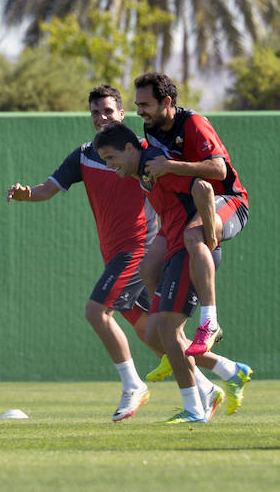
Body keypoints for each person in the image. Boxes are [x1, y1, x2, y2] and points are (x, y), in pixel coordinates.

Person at [7, 85, 159, 421]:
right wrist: (26, 193)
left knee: (96, 312)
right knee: (153, 331)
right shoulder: (85, 154)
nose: (102, 117)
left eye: (108, 111)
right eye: (95, 112)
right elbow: (47, 190)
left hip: (138, 249)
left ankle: (133, 385)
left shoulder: (142, 151)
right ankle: (212, 381)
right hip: (114, 252)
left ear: (122, 113)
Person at [94, 123, 252, 422]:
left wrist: (208, 234)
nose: (108, 164)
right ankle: (229, 372)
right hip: (173, 246)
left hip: (187, 252)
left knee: (167, 332)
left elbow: (203, 187)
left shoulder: (156, 164)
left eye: (110, 157)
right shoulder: (143, 171)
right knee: (154, 331)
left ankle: (196, 409)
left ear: (129, 149)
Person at [134, 72, 249, 356]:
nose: (140, 111)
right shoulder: (152, 127)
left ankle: (209, 323)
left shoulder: (194, 123)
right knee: (148, 267)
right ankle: (171, 335)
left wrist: (171, 166)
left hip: (228, 201)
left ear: (167, 102)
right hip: (192, 208)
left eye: (145, 104)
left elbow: (218, 170)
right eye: (137, 104)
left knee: (195, 235)